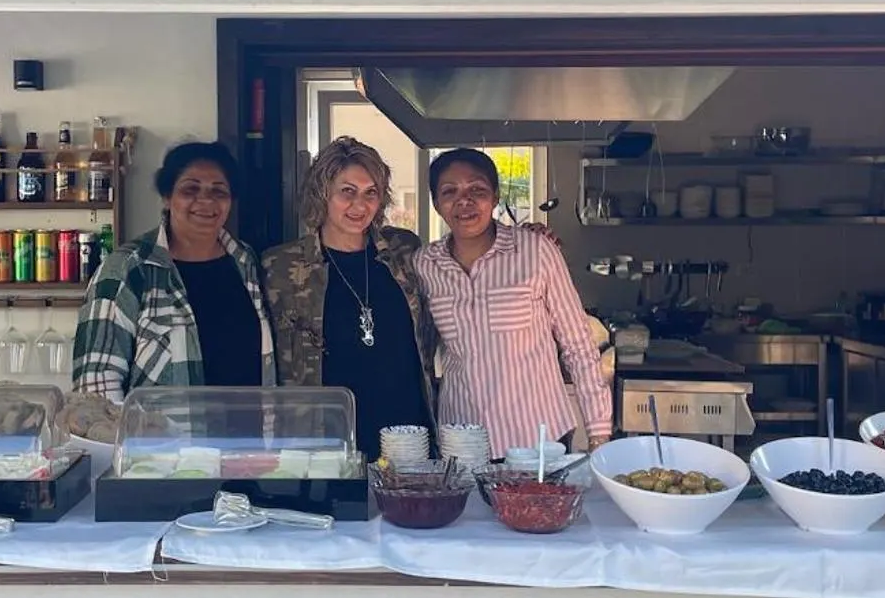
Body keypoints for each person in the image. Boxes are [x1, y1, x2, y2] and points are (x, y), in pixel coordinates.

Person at [416, 148, 612, 454]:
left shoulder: (536, 251)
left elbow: (578, 345)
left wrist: (599, 434)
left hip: (538, 438)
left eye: (477, 190)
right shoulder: (424, 264)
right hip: (463, 440)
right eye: (449, 191)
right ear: (436, 203)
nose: (464, 201)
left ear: (495, 197)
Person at [263, 138, 436, 457]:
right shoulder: (280, 266)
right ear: (322, 193)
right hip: (323, 441)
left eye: (371, 192)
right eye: (347, 191)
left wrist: (529, 236)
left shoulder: (404, 251)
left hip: (407, 436)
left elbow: (457, 259)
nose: (360, 205)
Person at [71, 141, 274, 401]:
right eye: (190, 189)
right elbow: (96, 388)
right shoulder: (128, 269)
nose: (205, 200)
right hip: (163, 440)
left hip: (251, 438)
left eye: (219, 191)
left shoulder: (247, 263)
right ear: (167, 197)